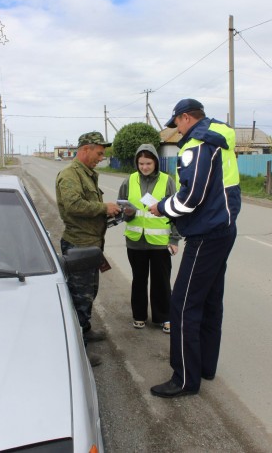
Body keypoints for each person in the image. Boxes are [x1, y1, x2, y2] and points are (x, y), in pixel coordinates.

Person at [149, 98, 241, 398]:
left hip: (206, 234)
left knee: (183, 304)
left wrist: (162, 207)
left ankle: (184, 379)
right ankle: (205, 367)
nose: (176, 130)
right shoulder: (220, 140)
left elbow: (190, 198)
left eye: (176, 123)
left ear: (187, 118)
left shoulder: (197, 145)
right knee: (210, 300)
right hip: (223, 228)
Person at [56, 131, 121, 366]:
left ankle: (85, 330)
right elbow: (74, 206)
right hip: (79, 245)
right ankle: (78, 352)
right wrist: (104, 208)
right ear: (85, 149)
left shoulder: (87, 174)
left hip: (91, 243)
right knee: (79, 297)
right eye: (99, 153)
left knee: (89, 293)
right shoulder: (70, 175)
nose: (101, 158)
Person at [118, 144, 180, 333]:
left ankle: (164, 317)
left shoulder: (167, 181)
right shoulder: (129, 181)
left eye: (148, 163)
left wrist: (174, 239)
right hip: (135, 242)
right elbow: (121, 209)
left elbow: (176, 211)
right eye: (141, 163)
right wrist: (127, 213)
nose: (144, 167)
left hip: (160, 242)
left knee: (161, 281)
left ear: (155, 162)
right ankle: (139, 316)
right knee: (139, 280)